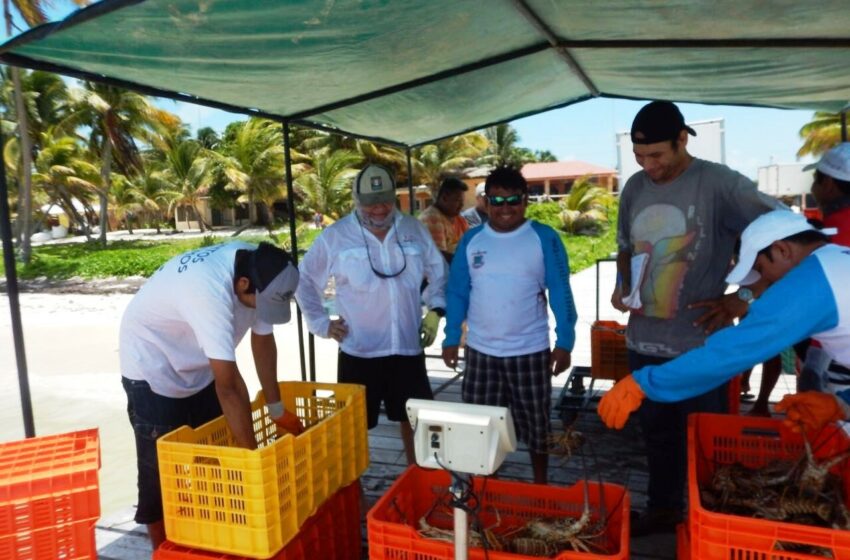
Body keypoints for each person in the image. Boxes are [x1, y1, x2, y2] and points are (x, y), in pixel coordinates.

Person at [609, 100, 779, 535]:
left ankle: (716, 527)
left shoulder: (720, 184)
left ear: (682, 139)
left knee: (707, 446)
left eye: (658, 156)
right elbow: (626, 245)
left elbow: (784, 233)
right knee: (658, 439)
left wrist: (743, 297)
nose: (649, 166)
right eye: (640, 157)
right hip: (643, 344)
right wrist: (621, 284)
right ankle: (664, 510)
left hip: (700, 349)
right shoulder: (634, 188)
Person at [120, 241, 303, 548]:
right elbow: (229, 386)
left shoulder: (262, 269)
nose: (263, 311)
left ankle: (211, 538)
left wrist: (275, 408)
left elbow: (262, 343)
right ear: (242, 285)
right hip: (153, 370)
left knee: (215, 459)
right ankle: (163, 552)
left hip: (200, 363)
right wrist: (254, 462)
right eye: (260, 303)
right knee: (162, 478)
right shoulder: (208, 292)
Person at [598, 210, 846, 436]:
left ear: (783, 250)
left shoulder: (808, 283)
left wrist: (646, 383)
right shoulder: (837, 260)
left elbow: (734, 351)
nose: (764, 280)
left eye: (760, 268)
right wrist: (842, 403)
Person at [295, 164, 447, 465]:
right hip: (359, 351)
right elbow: (303, 280)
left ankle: (419, 483)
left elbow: (440, 273)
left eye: (386, 200)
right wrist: (321, 323)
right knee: (352, 430)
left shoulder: (413, 229)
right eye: (370, 202)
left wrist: (435, 310)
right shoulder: (336, 236)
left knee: (417, 422)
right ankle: (357, 497)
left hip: (406, 347)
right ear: (356, 199)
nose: (379, 208)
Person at [442, 166, 577, 484]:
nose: (505, 208)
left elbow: (560, 291)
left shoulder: (544, 237)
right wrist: (451, 337)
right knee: (482, 425)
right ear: (486, 202)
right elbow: (458, 291)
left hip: (529, 352)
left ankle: (540, 484)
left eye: (513, 200)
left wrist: (565, 342)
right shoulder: (472, 240)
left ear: (526, 200)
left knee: (537, 425)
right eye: (497, 201)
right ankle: (489, 485)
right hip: (480, 353)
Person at [418, 176, 469, 263]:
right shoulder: (432, 219)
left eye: (462, 202)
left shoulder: (459, 220)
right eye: (458, 201)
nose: (461, 205)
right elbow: (438, 256)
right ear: (445, 198)